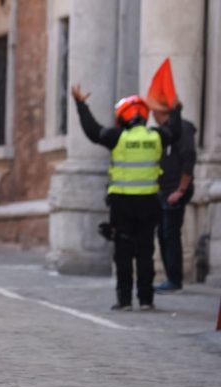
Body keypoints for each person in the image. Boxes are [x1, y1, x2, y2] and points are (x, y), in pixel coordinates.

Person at [71, 84, 182, 310]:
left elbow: (93, 131)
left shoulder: (117, 137)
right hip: (149, 201)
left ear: (122, 116)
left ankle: (124, 300)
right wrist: (176, 108)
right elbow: (175, 130)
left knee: (123, 251)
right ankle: (146, 300)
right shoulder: (156, 137)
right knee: (145, 251)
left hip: (122, 203)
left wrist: (81, 105)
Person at [150, 102, 196, 293]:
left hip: (174, 191)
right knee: (163, 235)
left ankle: (175, 280)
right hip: (162, 191)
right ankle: (170, 278)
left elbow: (188, 158)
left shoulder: (182, 129)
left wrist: (181, 190)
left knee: (171, 235)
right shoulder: (163, 131)